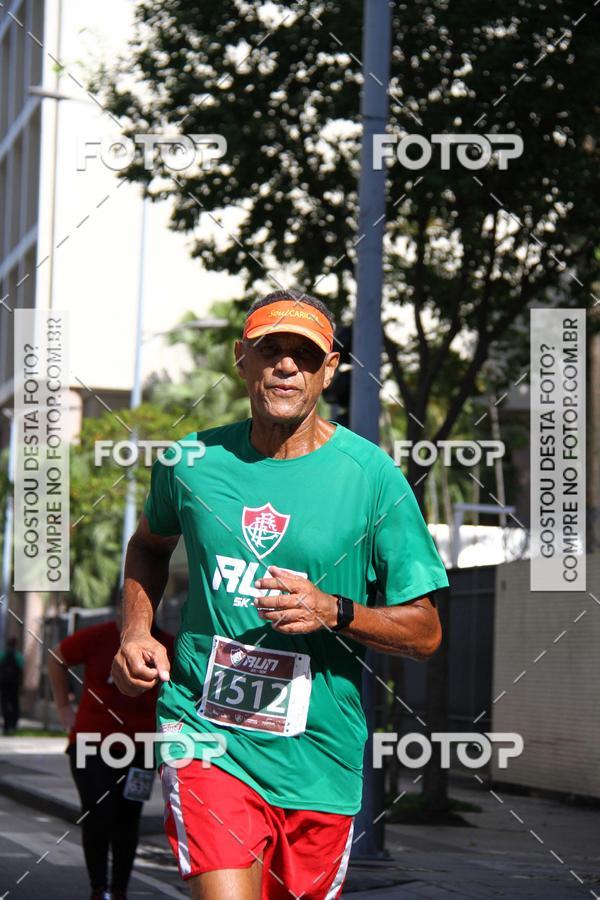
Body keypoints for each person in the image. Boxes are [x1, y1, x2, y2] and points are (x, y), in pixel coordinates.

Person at [111, 289, 449, 900]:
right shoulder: (190, 461)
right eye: (271, 350)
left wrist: (333, 611)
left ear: (331, 369)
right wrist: (137, 631)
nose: (286, 365)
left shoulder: (373, 479)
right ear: (242, 359)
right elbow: (149, 545)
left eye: (305, 354)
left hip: (321, 753)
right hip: (208, 735)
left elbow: (425, 632)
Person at [48, 601, 173, 900]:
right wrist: (64, 708)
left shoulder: (165, 645)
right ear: (124, 612)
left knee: (129, 820)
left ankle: (119, 890)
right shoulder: (97, 637)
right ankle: (98, 887)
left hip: (140, 750)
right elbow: (57, 658)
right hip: (92, 746)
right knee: (98, 815)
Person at [0, 636, 24, 734]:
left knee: (4, 704)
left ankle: (6, 725)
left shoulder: (2, 655)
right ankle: (13, 724)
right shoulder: (19, 656)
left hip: (3, 684)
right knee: (15, 704)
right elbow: (21, 671)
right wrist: (21, 684)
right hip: (14, 684)